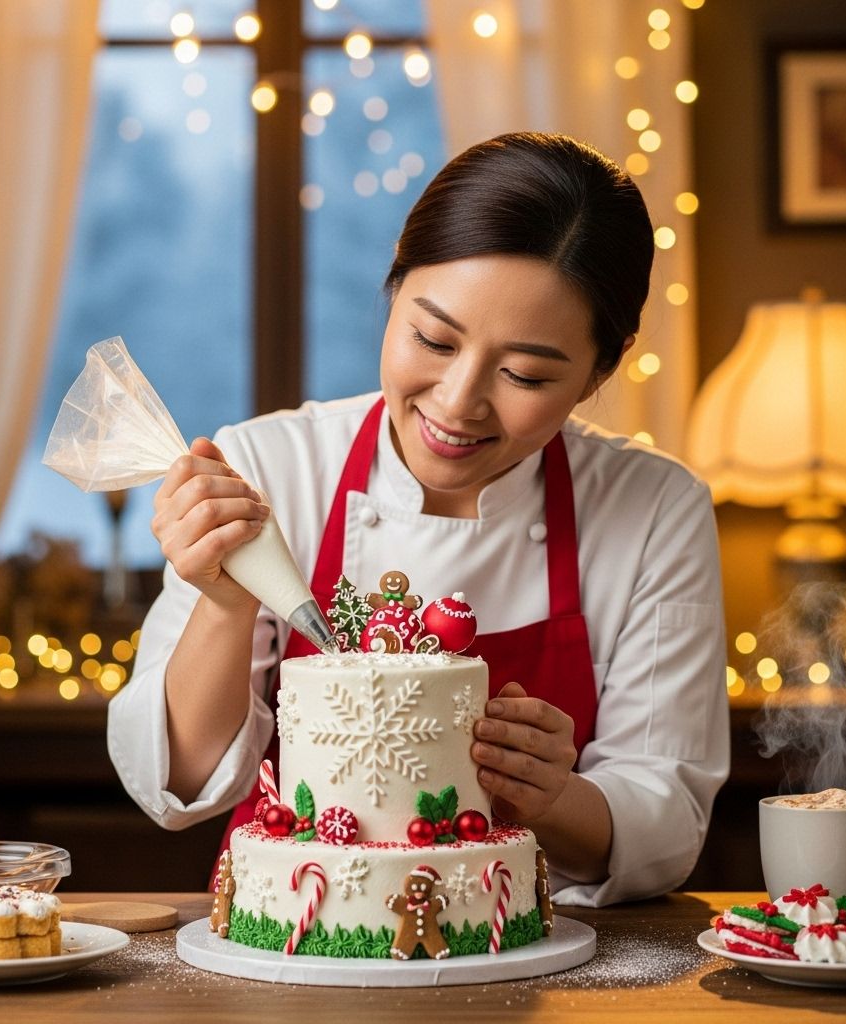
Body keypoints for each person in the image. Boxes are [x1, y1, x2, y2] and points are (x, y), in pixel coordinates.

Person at [107, 132, 729, 905]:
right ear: (395, 283)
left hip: (533, 951)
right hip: (297, 936)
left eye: (524, 374)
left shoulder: (655, 509)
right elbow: (174, 784)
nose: (458, 402)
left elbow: (665, 826)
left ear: (605, 365)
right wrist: (225, 601)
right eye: (433, 339)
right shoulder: (271, 467)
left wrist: (552, 795)